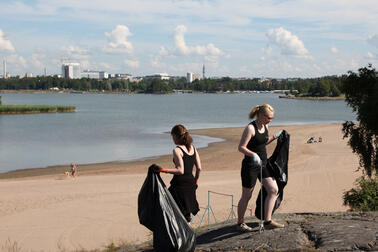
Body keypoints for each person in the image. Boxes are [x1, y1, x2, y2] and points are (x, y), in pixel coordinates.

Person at [237, 104, 284, 231]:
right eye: (269, 117)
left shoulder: (265, 125)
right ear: (261, 115)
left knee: (273, 190)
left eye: (272, 118)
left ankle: (267, 221)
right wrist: (253, 155)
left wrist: (274, 137)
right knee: (247, 196)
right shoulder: (250, 128)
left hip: (263, 164)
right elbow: (241, 147)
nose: (271, 120)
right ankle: (240, 223)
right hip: (250, 166)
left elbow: (262, 142)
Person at [154, 124, 202, 222]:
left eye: (172, 136)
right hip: (191, 184)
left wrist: (163, 170)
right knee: (186, 212)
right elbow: (199, 168)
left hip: (179, 185)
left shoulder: (177, 150)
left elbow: (180, 170)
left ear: (175, 136)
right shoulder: (193, 148)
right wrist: (195, 181)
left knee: (168, 206)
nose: (172, 139)